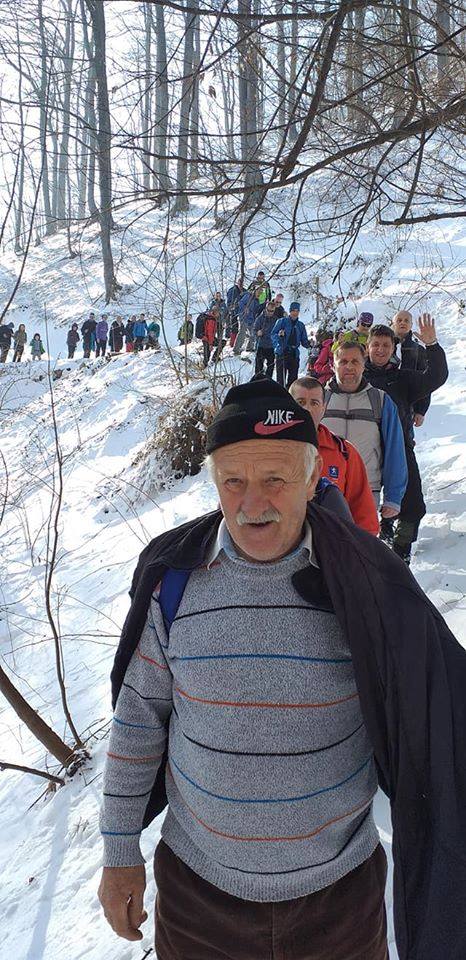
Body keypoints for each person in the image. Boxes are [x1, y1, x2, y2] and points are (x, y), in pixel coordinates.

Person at [98, 376, 466, 960]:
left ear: (313, 477)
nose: (253, 504)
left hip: (339, 908)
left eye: (275, 478)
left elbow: (435, 722)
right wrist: (119, 852)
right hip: (198, 904)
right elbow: (138, 722)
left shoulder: (366, 585)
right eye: (234, 481)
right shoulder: (175, 582)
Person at [365, 317, 448, 563]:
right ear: (368, 347)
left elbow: (435, 377)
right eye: (376, 344)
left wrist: (432, 345)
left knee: (413, 505)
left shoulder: (403, 378)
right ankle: (373, 538)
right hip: (364, 449)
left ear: (393, 348)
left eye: (386, 345)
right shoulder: (357, 378)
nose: (380, 350)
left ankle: (401, 550)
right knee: (359, 502)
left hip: (400, 448)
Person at [323, 340, 407, 521]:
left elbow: (395, 449)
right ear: (333, 365)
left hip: (366, 490)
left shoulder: (380, 400)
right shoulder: (319, 399)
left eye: (355, 361)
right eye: (343, 362)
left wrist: (393, 497)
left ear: (363, 365)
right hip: (324, 489)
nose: (349, 367)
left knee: (362, 539)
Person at [290, 376, 379, 535]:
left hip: (331, 544)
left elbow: (362, 511)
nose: (307, 409)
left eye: (314, 403)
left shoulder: (344, 452)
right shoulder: (272, 451)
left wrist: (364, 546)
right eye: (300, 402)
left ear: (323, 408)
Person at [391, 309, 429, 428]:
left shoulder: (419, 350)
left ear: (411, 325)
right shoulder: (383, 347)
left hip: (408, 408)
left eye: (406, 320)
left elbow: (425, 381)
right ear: (393, 324)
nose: (402, 323)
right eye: (399, 320)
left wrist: (421, 410)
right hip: (383, 404)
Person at [271, 301, 310, 387]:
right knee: (280, 381)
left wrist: (310, 343)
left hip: (294, 354)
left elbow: (304, 341)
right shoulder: (282, 321)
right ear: (290, 311)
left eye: (297, 311)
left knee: (293, 381)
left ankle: (290, 395)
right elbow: (273, 334)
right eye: (293, 311)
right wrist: (279, 337)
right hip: (282, 353)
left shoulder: (301, 325)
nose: (295, 313)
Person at [252, 300, 277, 377]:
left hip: (271, 347)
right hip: (261, 345)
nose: (270, 312)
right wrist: (257, 333)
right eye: (268, 310)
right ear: (266, 309)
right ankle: (257, 382)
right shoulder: (260, 318)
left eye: (272, 311)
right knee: (258, 369)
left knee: (270, 368)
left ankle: (267, 382)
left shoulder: (276, 320)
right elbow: (254, 330)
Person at [233, 289, 262, 355]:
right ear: (255, 291)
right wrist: (245, 308)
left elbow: (256, 311)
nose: (259, 294)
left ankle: (250, 347)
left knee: (253, 333)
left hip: (251, 319)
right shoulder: (248, 296)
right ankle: (236, 349)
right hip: (244, 317)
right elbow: (240, 303)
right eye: (258, 292)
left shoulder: (257, 301)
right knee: (242, 333)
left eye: (260, 293)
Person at [226, 279, 244, 347]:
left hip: (241, 311)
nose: (241, 285)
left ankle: (238, 343)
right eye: (240, 283)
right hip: (233, 311)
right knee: (234, 327)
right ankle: (232, 343)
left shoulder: (244, 291)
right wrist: (231, 307)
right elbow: (229, 301)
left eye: (242, 283)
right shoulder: (232, 290)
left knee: (242, 327)